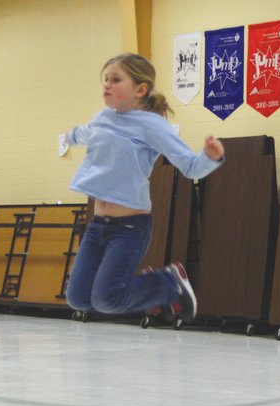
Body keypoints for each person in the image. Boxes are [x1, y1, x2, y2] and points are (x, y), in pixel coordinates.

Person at [65, 52, 225, 322]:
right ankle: (153, 289)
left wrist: (210, 157)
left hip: (129, 229)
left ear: (140, 89)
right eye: (105, 79)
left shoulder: (153, 126)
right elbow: (87, 132)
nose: (106, 84)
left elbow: (190, 167)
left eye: (115, 79)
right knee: (78, 298)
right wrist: (71, 136)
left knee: (107, 300)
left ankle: (167, 283)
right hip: (97, 226)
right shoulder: (102, 117)